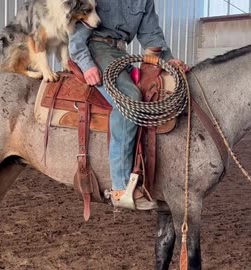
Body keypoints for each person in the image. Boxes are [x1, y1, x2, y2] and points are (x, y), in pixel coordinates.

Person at [69, 0, 188, 210]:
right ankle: (120, 187)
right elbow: (76, 26)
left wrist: (169, 59)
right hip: (96, 47)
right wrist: (86, 64)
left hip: (121, 53)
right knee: (129, 98)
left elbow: (151, 35)